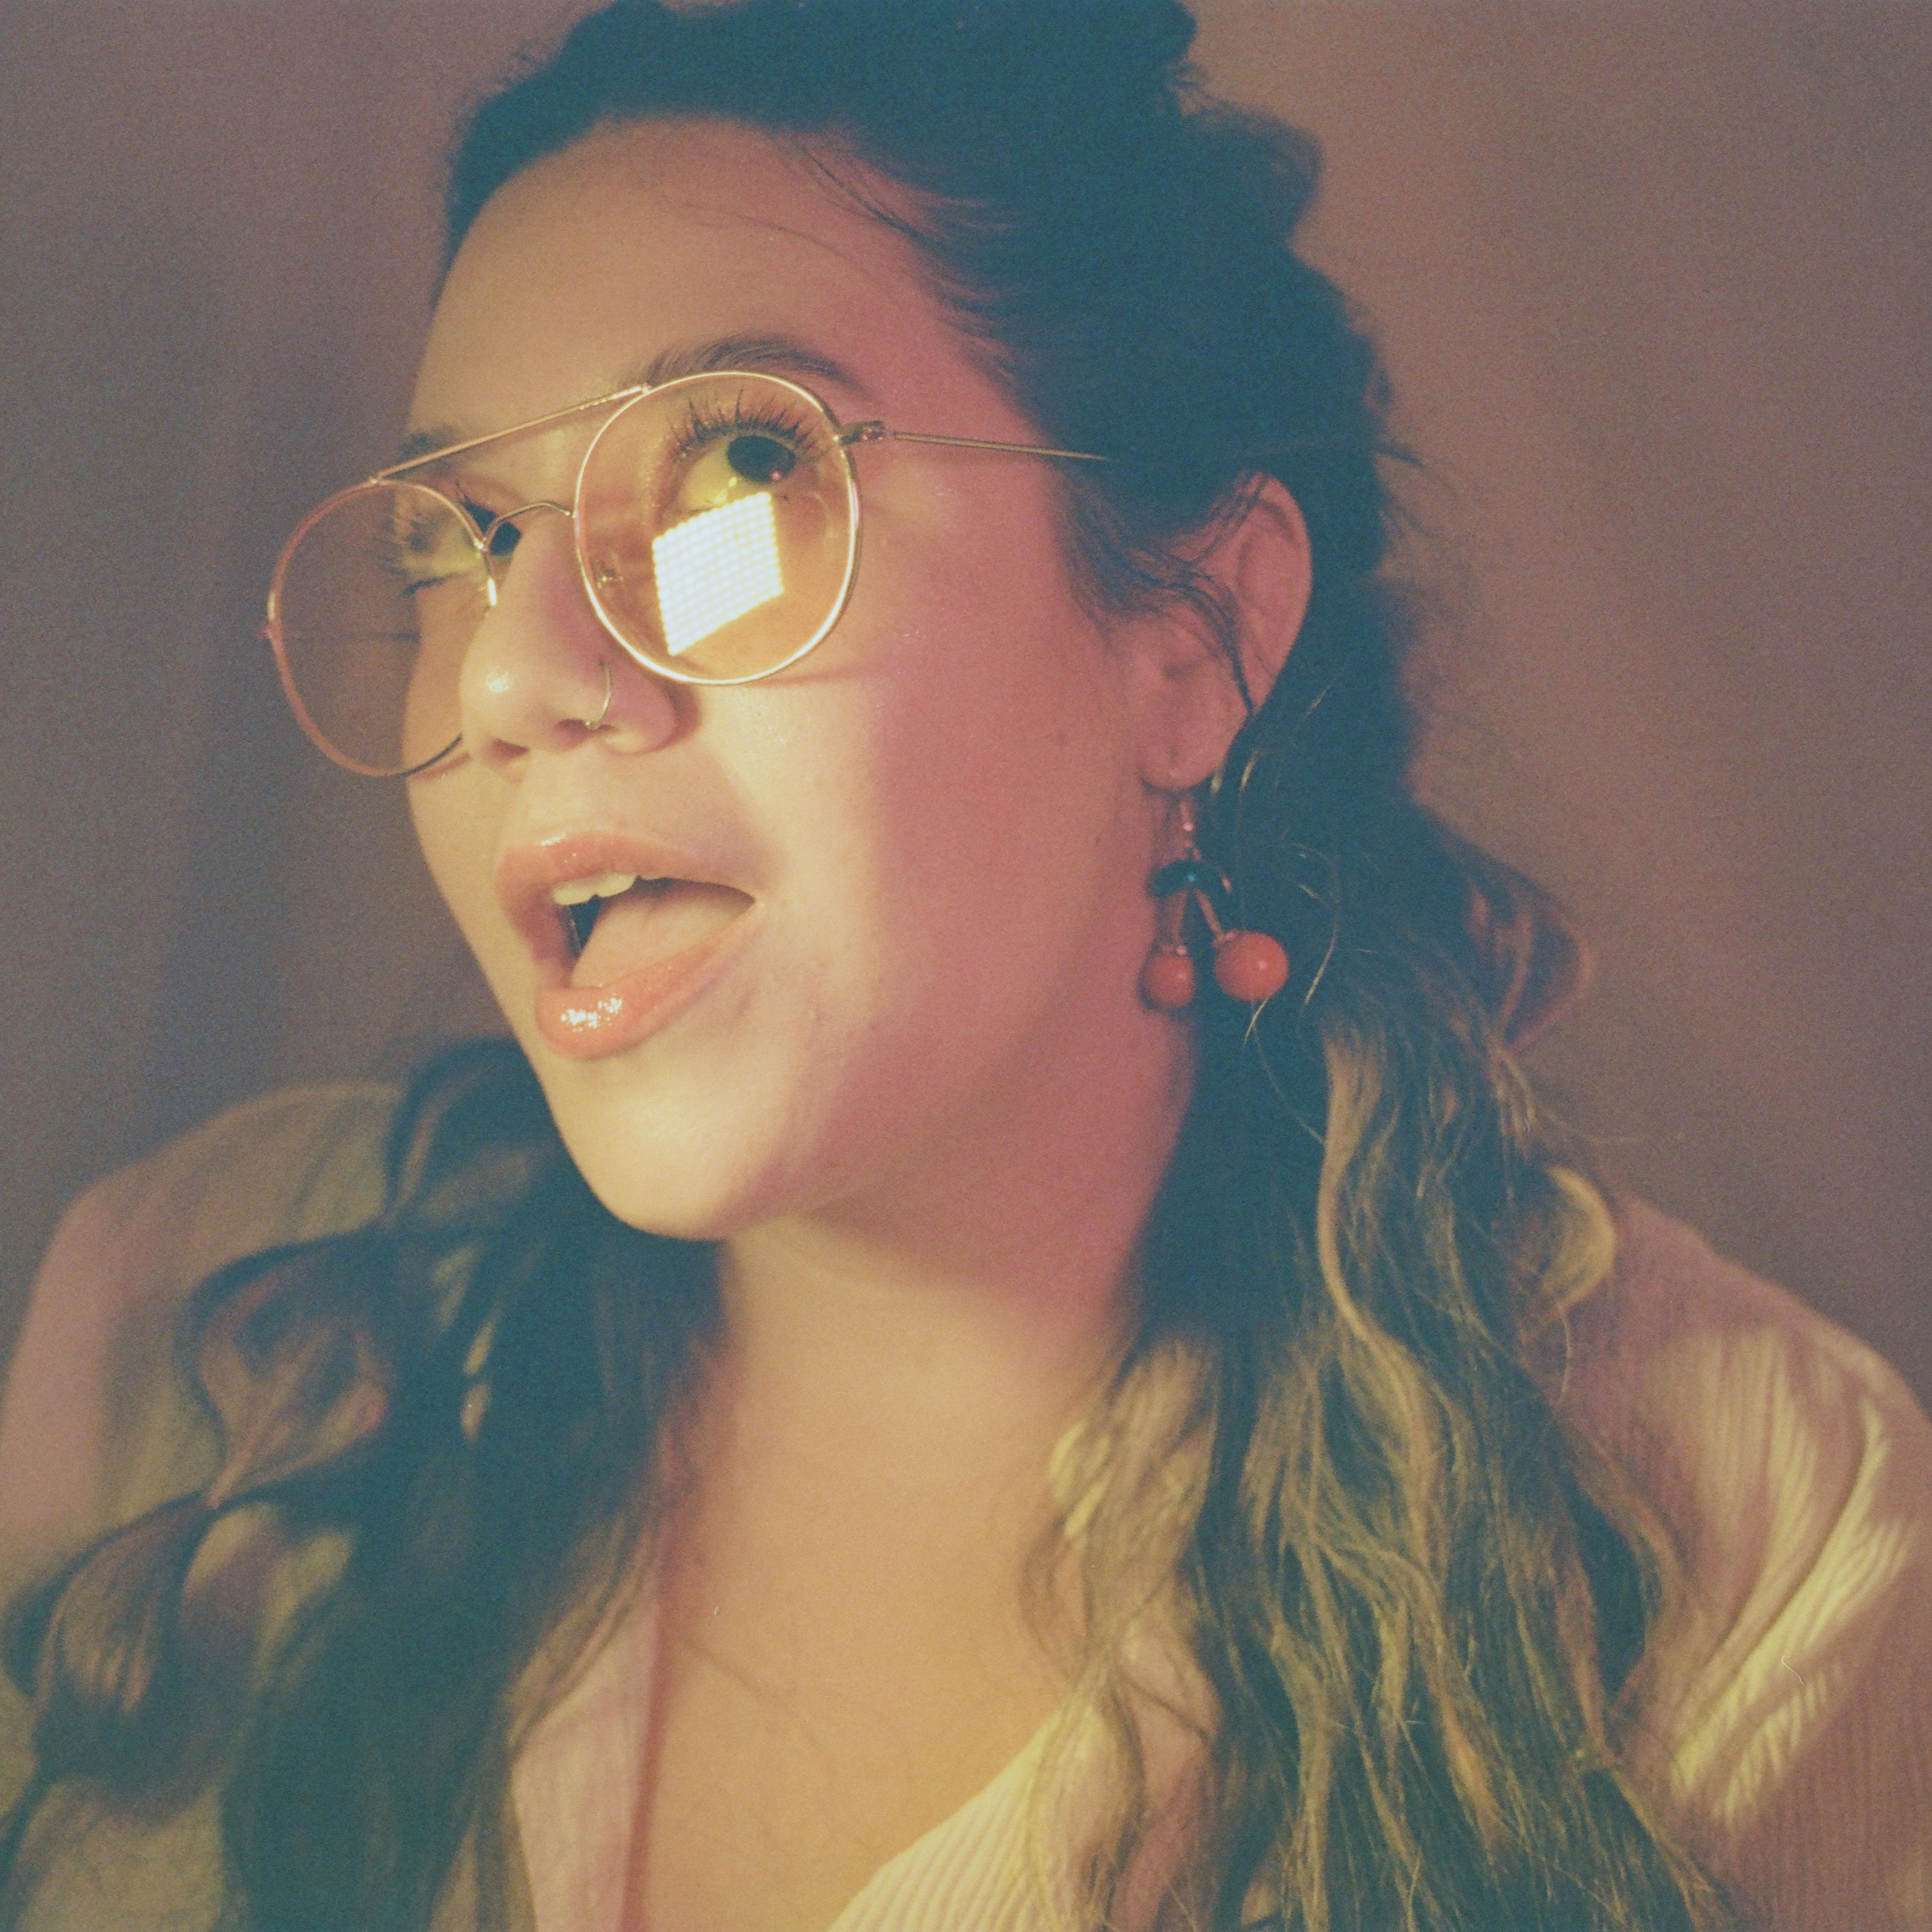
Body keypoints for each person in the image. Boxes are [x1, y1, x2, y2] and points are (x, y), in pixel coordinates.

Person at [2, 3, 1927, 1928]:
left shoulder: (1756, 1540)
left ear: (1195, 638)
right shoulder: (182, 1370)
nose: (506, 673)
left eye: (735, 476)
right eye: (463, 544)